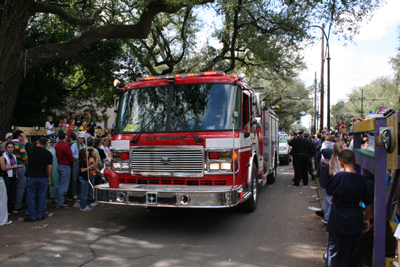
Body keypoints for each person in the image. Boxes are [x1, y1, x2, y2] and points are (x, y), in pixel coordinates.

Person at [325, 150, 373, 267]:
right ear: (355, 161)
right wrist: (366, 219)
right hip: (355, 220)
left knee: (334, 250)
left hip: (337, 220)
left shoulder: (339, 177)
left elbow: (329, 190)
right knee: (354, 251)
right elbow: (368, 202)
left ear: (341, 164)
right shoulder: (361, 180)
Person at [21, 135, 53, 222]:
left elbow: (25, 141)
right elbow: (50, 167)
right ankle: (40, 214)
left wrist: (23, 134)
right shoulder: (48, 154)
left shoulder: (31, 149)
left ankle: (31, 215)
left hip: (31, 177)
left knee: (31, 196)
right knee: (42, 196)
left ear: (38, 141)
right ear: (46, 143)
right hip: (42, 177)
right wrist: (49, 177)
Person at [1, 142, 23, 215]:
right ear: (6, 148)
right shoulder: (3, 156)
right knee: (6, 193)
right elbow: (3, 168)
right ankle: (6, 209)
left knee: (12, 193)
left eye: (11, 147)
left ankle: (11, 208)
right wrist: (14, 167)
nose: (10, 149)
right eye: (9, 147)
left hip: (13, 175)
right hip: (7, 176)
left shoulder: (13, 156)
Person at [55, 131, 74, 208]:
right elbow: (70, 156)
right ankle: (60, 202)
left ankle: (59, 200)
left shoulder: (57, 145)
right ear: (65, 137)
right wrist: (72, 163)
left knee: (60, 184)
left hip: (60, 165)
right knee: (63, 186)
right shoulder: (65, 146)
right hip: (65, 166)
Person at [11, 130, 28, 211]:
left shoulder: (9, 144)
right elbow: (24, 157)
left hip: (10, 167)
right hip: (20, 166)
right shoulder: (20, 145)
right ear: (19, 136)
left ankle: (12, 204)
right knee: (20, 187)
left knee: (12, 186)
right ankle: (18, 204)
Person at [71, 131, 86, 199]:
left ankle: (79, 192)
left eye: (83, 138)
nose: (82, 139)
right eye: (81, 138)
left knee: (80, 177)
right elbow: (72, 154)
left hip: (81, 162)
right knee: (75, 178)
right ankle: (74, 193)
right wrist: (78, 157)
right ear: (78, 138)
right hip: (76, 162)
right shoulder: (74, 145)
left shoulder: (84, 145)